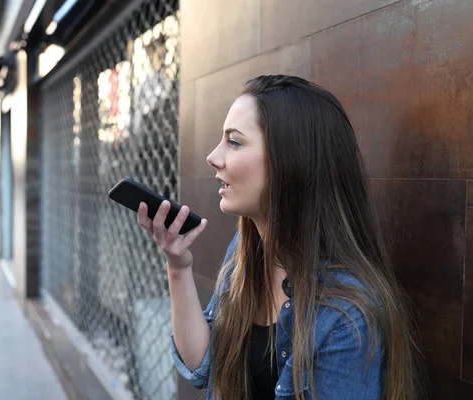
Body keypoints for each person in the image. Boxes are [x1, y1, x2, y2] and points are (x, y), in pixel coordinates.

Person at [136, 75, 425, 399]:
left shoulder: (345, 317)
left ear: (290, 161)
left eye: (234, 141)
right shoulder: (244, 253)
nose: (213, 157)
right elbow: (203, 366)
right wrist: (177, 267)